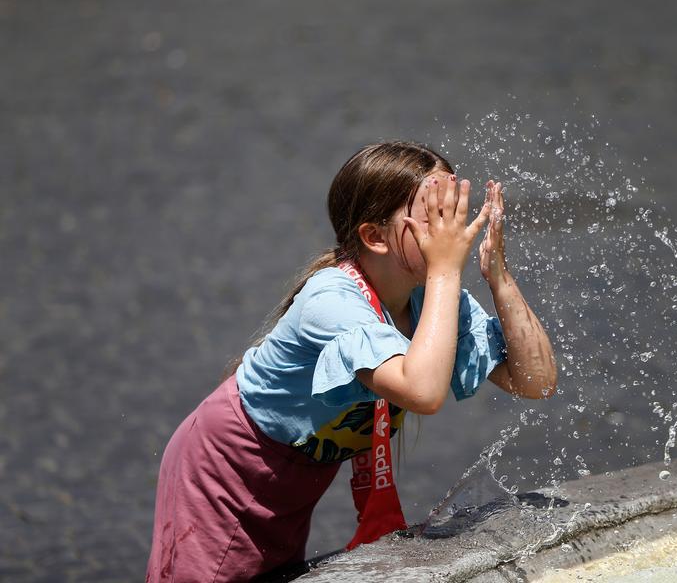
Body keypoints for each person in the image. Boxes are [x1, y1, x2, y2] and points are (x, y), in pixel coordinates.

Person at [145, 141, 557, 582]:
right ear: (375, 237)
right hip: (229, 469)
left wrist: (498, 275)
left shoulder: (430, 298)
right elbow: (422, 392)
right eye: (433, 216)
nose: (452, 231)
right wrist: (445, 271)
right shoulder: (332, 300)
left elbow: (535, 381)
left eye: (453, 209)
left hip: (298, 470)